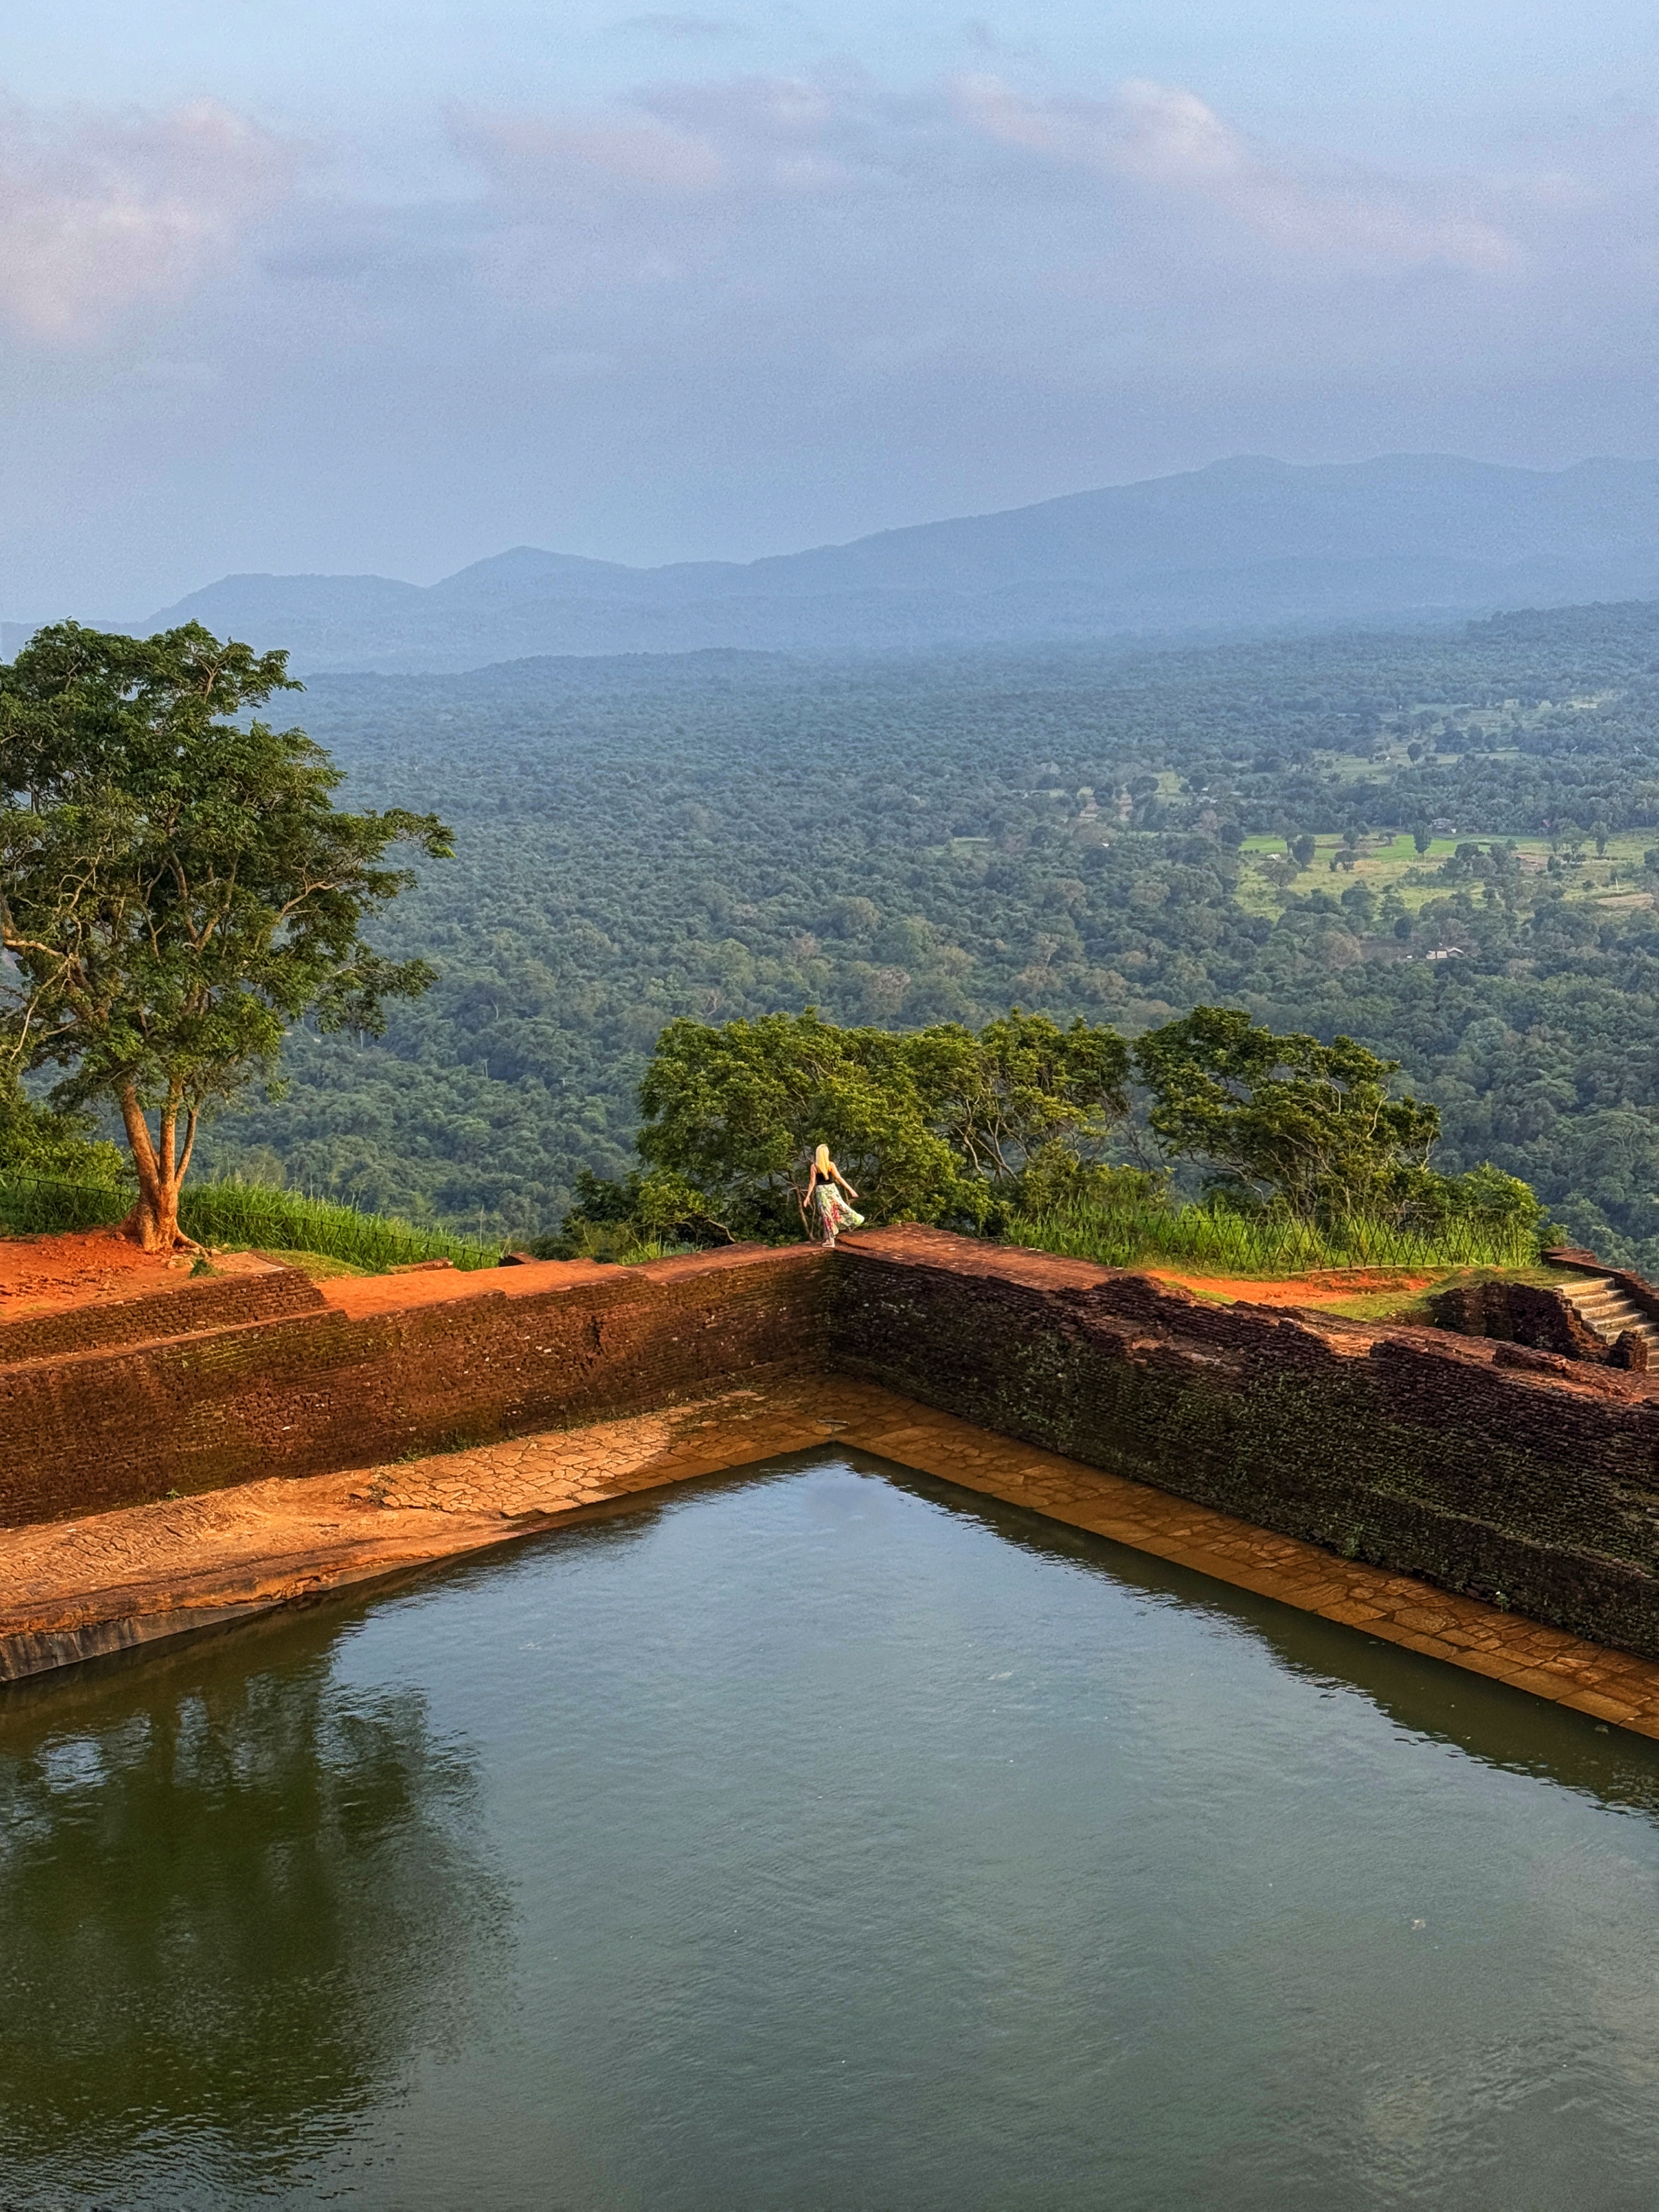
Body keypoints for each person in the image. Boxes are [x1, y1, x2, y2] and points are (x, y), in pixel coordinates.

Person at [804, 1143, 864, 1248]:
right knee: (840, 1207)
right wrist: (851, 1190)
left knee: (827, 1215)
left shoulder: (815, 1166)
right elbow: (839, 1179)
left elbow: (812, 1183)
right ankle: (831, 1238)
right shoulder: (830, 1165)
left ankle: (831, 1241)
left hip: (822, 1192)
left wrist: (807, 1197)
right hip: (832, 1190)